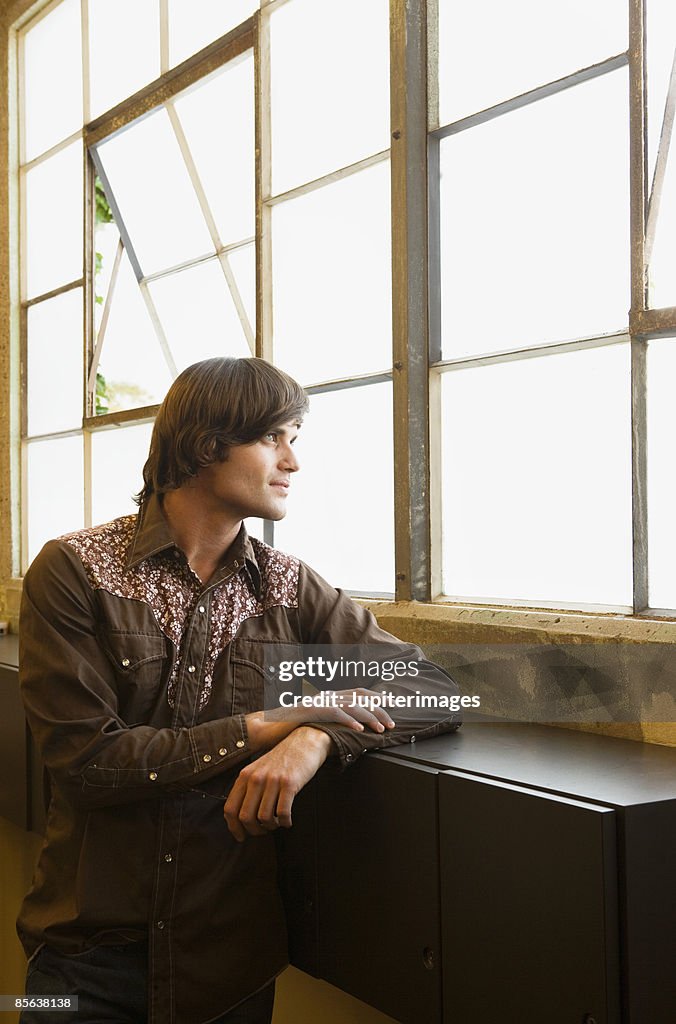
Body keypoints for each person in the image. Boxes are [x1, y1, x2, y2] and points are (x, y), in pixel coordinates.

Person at [17, 357, 461, 1024]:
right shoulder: (75, 570)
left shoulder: (289, 585)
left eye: (294, 439)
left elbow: (434, 688)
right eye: (274, 437)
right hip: (85, 962)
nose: (293, 461)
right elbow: (88, 765)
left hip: (229, 968)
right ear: (208, 445)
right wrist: (270, 722)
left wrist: (317, 737)